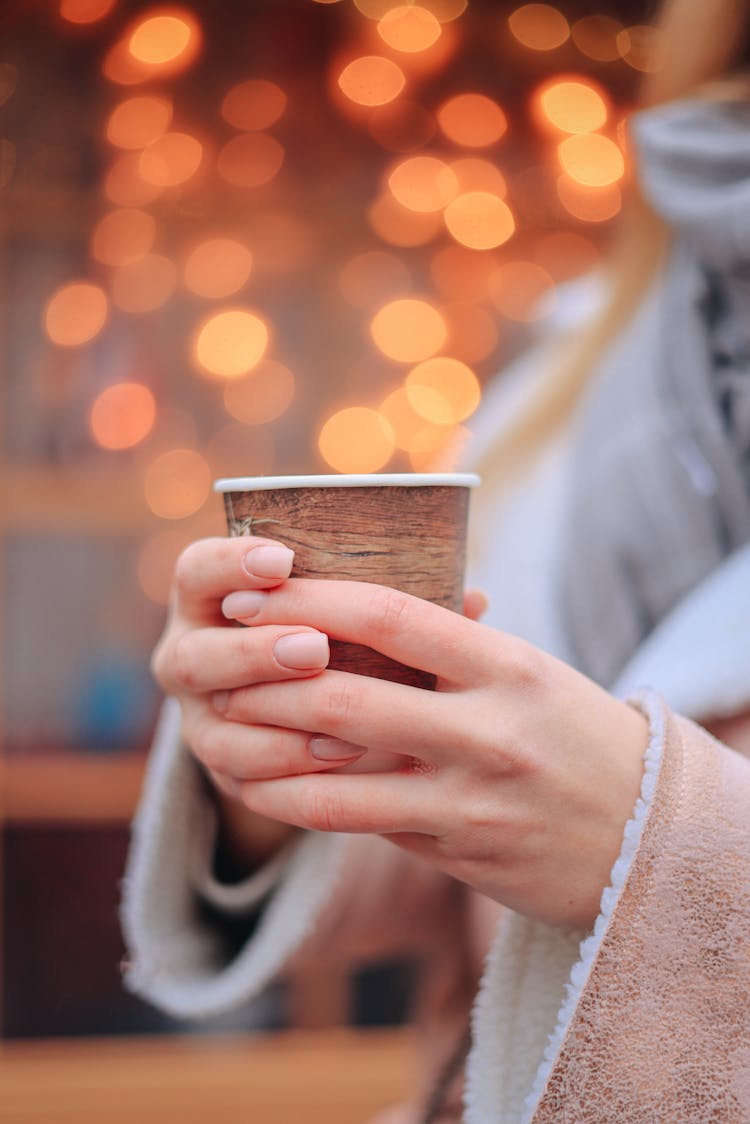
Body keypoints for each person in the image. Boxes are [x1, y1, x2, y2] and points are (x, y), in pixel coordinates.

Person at [121, 0, 750, 1119]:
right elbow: (470, 870)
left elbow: (587, 820)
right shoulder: (592, 369)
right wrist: (275, 763)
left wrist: (667, 845)